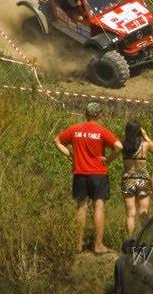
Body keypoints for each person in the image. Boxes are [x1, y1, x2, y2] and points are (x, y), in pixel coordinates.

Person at [54, 102, 123, 253]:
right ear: (99, 114)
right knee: (98, 206)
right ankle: (98, 245)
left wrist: (71, 155)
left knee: (81, 207)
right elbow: (119, 146)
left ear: (85, 114)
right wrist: (109, 160)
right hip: (98, 173)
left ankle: (78, 244)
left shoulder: (75, 129)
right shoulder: (101, 131)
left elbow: (57, 141)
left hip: (80, 173)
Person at [121, 121, 153, 236]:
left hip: (128, 180)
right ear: (139, 131)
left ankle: (130, 239)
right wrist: (145, 135)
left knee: (130, 213)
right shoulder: (145, 145)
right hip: (143, 180)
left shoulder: (123, 145)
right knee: (143, 212)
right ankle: (144, 240)